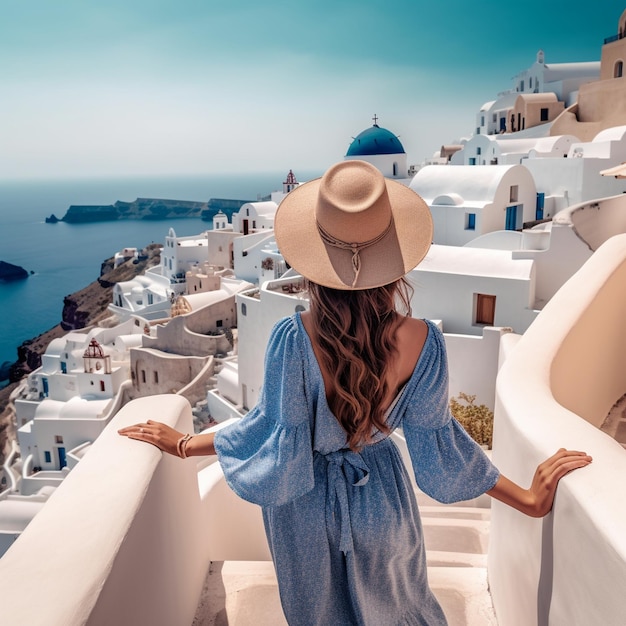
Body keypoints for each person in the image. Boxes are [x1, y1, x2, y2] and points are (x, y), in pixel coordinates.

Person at [119, 160, 592, 625]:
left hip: (304, 511)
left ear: (313, 262)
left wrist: (183, 445)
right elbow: (441, 447)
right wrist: (528, 499)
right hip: (382, 498)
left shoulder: (293, 339)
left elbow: (268, 433)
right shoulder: (426, 341)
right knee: (400, 609)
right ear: (394, 259)